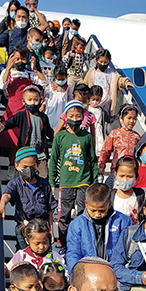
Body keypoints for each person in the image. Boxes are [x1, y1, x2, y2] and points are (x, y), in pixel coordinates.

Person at [48, 101, 98, 249]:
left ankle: (81, 242)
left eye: (78, 116)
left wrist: (93, 182)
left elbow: (93, 160)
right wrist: (52, 182)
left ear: (83, 117)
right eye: (71, 116)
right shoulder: (60, 136)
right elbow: (53, 160)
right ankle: (63, 244)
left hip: (84, 181)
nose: (75, 119)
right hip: (65, 182)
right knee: (64, 215)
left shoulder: (87, 136)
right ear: (65, 117)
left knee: (83, 213)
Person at [0, 147, 56, 250]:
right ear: (17, 166)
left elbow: (50, 209)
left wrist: (51, 230)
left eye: (32, 166)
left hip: (42, 228)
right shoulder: (15, 183)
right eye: (25, 167)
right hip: (23, 227)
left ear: (37, 165)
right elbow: (7, 194)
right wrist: (2, 205)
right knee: (23, 254)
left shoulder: (45, 184)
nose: (28, 170)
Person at [65, 183, 131, 273]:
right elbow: (73, 253)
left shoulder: (123, 221)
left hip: (115, 271)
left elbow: (128, 249)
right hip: (87, 272)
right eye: (93, 210)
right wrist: (76, 271)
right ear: (86, 204)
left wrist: (117, 264)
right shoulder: (76, 224)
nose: (97, 214)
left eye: (102, 210)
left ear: (109, 204)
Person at [0, 85, 53, 178]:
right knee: (24, 177)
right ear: (23, 102)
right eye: (29, 100)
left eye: (35, 100)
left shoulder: (43, 117)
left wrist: (58, 138)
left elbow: (49, 133)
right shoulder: (21, 116)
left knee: (44, 176)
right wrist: (3, 125)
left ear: (40, 100)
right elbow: (11, 122)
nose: (33, 103)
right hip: (25, 153)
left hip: (40, 154)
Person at [0, 49, 46, 159]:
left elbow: (44, 81)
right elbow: (2, 85)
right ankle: (11, 165)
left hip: (26, 110)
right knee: (10, 140)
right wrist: (8, 68)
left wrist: (35, 69)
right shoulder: (7, 73)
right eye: (17, 58)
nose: (20, 61)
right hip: (12, 109)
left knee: (24, 138)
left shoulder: (29, 74)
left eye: (23, 59)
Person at [83, 49, 134, 116]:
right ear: (96, 60)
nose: (103, 64)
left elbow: (118, 80)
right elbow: (85, 84)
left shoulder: (110, 73)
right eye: (101, 62)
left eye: (105, 62)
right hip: (93, 102)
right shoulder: (91, 72)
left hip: (106, 104)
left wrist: (126, 82)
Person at [98, 104, 141, 174]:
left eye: (134, 118)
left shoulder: (136, 136)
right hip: (117, 171)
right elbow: (105, 151)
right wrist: (101, 165)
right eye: (129, 118)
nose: (132, 121)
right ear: (121, 118)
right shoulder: (115, 133)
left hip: (132, 171)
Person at [106, 156, 146, 224]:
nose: (125, 180)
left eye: (130, 176)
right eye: (121, 176)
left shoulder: (141, 195)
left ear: (136, 176)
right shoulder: (109, 196)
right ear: (115, 174)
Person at [43, 62, 72, 131]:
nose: (61, 81)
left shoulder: (67, 87)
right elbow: (46, 98)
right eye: (59, 79)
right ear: (55, 77)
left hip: (62, 111)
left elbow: (70, 98)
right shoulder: (49, 87)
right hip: (51, 110)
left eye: (63, 79)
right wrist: (43, 105)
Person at [88, 86, 111, 158]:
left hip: (99, 133)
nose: (95, 101)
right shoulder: (86, 109)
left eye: (97, 100)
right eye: (93, 99)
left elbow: (109, 119)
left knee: (99, 151)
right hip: (89, 131)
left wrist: (118, 116)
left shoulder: (102, 111)